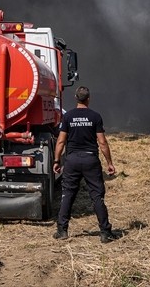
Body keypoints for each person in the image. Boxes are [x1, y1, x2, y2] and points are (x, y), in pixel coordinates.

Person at [52, 85, 119, 243]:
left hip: (72, 160)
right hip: (90, 160)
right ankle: (105, 232)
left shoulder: (68, 117)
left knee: (68, 194)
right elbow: (102, 143)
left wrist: (56, 161)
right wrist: (109, 163)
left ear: (76, 98)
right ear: (88, 99)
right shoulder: (95, 116)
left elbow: (61, 141)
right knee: (96, 196)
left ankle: (62, 231)